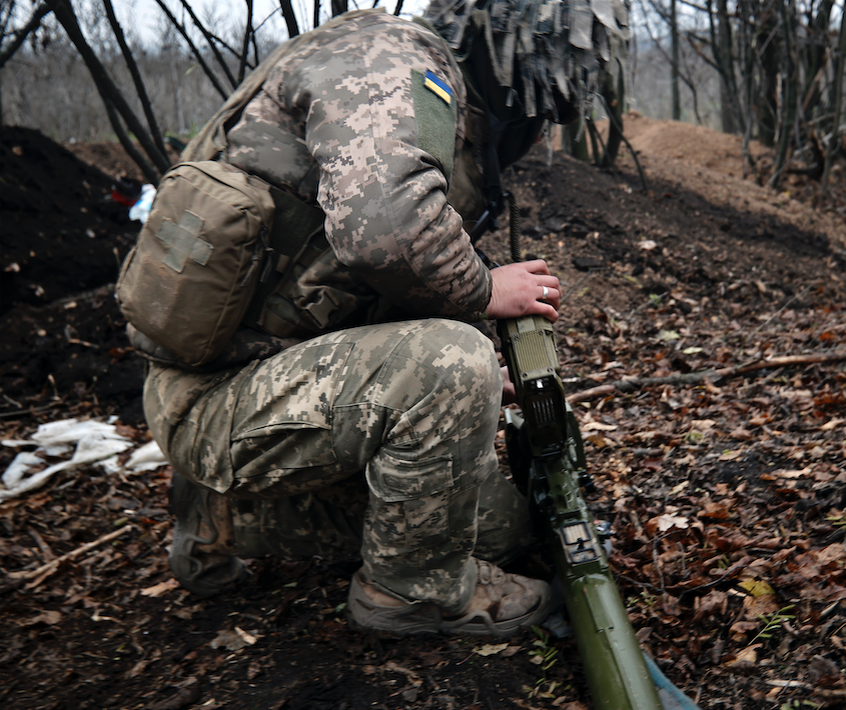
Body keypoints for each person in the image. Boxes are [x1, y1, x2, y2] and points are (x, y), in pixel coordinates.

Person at [133, 0, 628, 636]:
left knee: (503, 530)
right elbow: (387, 235)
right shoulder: (391, 58)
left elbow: (364, 278)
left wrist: (460, 389)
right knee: (451, 363)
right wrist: (480, 297)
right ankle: (409, 593)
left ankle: (224, 516)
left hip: (272, 381)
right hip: (214, 396)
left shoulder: (439, 98)